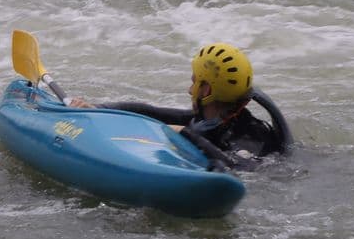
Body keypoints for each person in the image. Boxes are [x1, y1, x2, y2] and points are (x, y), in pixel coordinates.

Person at [70, 42, 292, 171]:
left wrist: (185, 134)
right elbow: (153, 112)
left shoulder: (245, 137)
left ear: (206, 90)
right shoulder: (219, 120)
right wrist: (98, 108)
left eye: (195, 81)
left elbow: (239, 167)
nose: (189, 89)